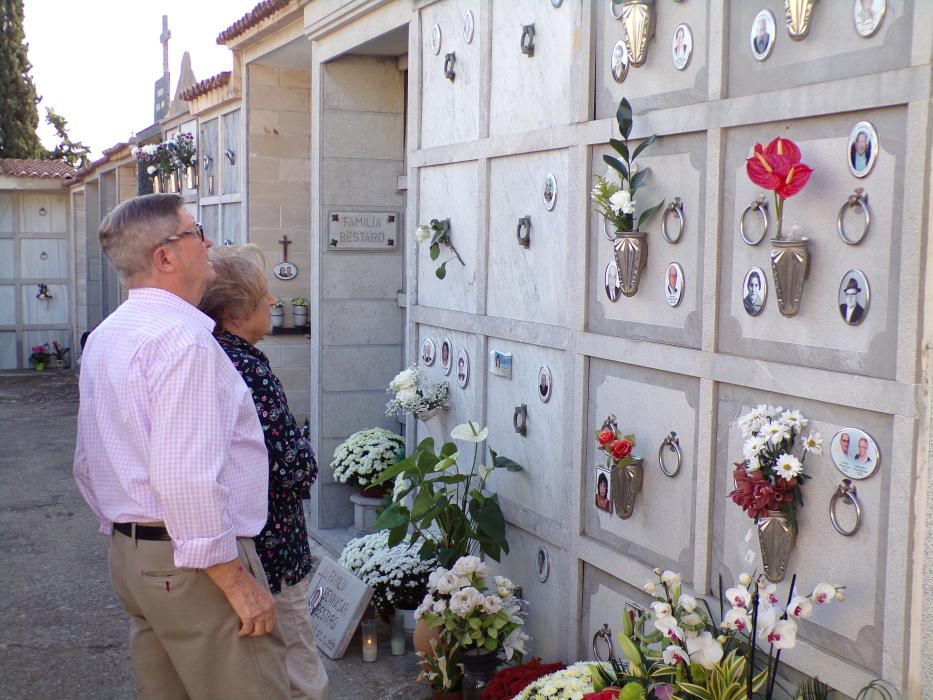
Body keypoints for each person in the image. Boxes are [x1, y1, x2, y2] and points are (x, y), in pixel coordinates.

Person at [73, 193, 290, 699]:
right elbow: (186, 479)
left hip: (134, 557)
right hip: (189, 565)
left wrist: (127, 534)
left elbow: (88, 461)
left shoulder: (108, 334)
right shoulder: (182, 342)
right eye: (195, 232)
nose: (208, 242)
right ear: (165, 257)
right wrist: (238, 585)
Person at [198, 245, 329, 700]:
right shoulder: (246, 367)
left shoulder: (206, 352)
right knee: (297, 672)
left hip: (230, 544)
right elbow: (293, 466)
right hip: (269, 547)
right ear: (235, 312)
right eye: (264, 293)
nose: (274, 301)